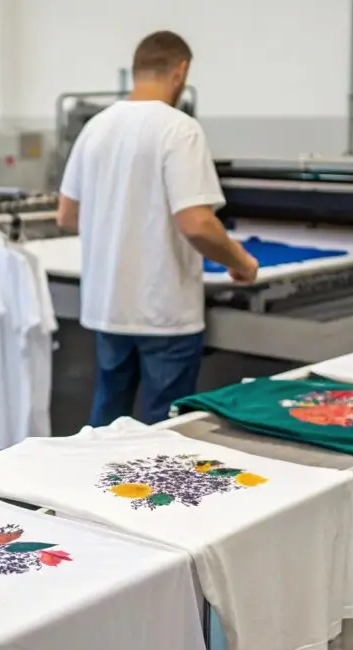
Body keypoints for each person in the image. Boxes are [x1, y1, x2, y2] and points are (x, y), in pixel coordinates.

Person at [57, 30, 259, 427]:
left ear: (135, 71)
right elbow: (197, 223)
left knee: (106, 422)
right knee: (164, 430)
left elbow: (66, 215)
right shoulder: (179, 129)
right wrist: (240, 261)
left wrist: (118, 223)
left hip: (109, 306)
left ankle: (90, 486)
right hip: (164, 310)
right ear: (180, 71)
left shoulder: (95, 128)